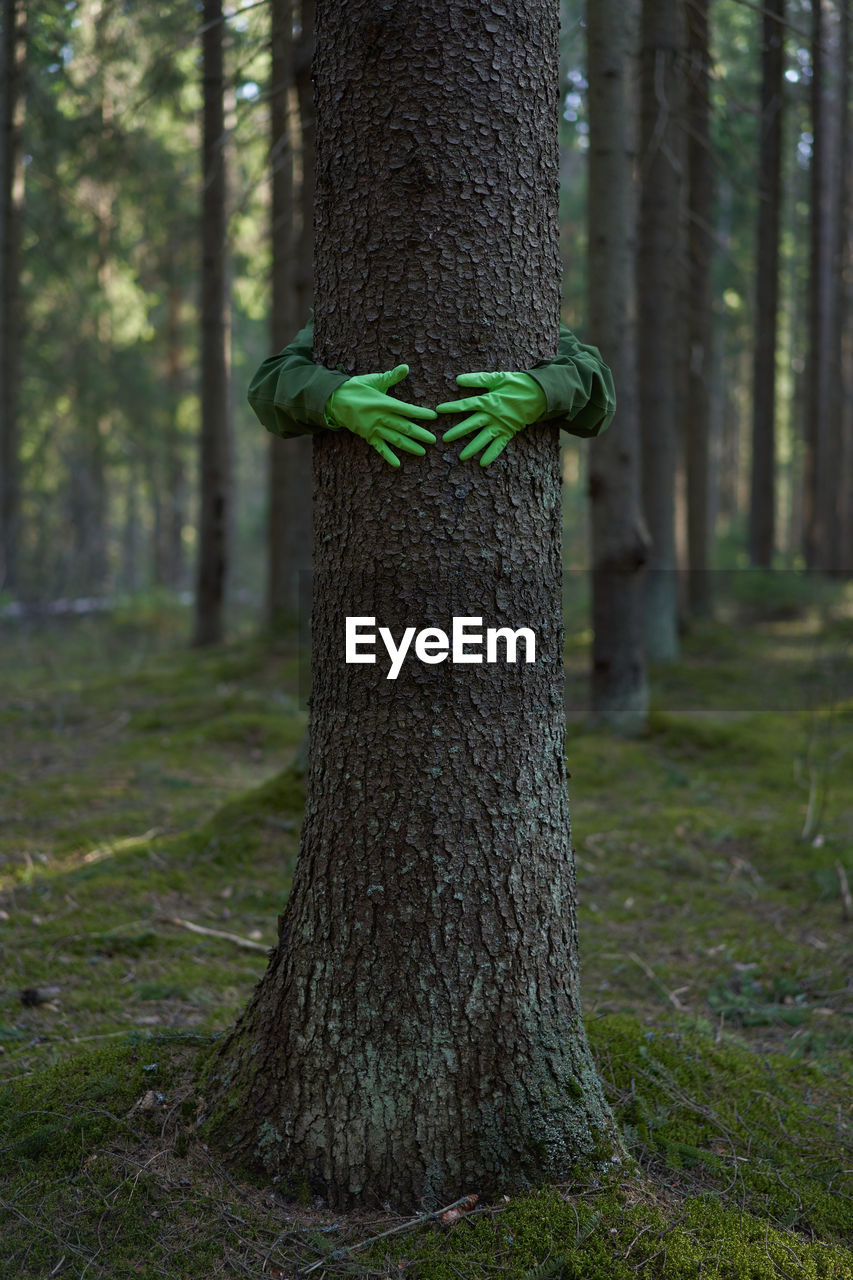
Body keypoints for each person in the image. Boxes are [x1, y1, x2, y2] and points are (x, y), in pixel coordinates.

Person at [248, 316, 616, 468]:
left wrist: (542, 389)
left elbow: (599, 396)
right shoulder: (339, 310)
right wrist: (332, 396)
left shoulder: (527, 312)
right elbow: (268, 386)